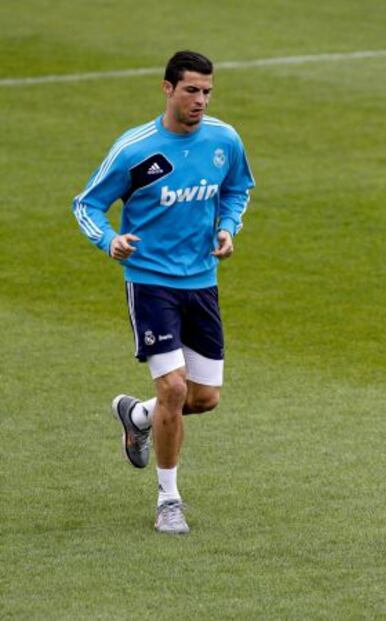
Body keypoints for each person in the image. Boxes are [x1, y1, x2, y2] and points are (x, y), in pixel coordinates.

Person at [73, 50, 255, 534]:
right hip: (150, 281)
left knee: (203, 398)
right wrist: (108, 239)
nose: (201, 100)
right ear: (167, 89)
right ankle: (168, 500)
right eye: (192, 90)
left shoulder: (224, 139)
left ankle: (137, 416)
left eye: (208, 91)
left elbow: (237, 188)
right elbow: (87, 203)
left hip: (202, 283)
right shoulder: (136, 149)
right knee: (173, 388)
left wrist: (228, 226)